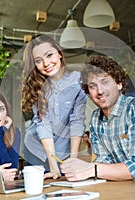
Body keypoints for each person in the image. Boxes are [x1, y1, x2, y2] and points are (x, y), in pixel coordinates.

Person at [60, 55, 135, 181]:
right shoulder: (96, 118)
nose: (99, 91)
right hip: (124, 188)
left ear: (119, 84)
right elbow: (104, 160)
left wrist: (91, 169)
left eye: (105, 82)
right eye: (92, 86)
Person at [21, 34, 87, 179]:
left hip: (64, 150)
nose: (46, 63)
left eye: (49, 55)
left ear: (59, 54)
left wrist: (74, 159)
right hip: (37, 149)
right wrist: (52, 166)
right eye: (38, 61)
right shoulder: (37, 86)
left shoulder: (78, 81)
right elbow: (44, 125)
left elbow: (77, 120)